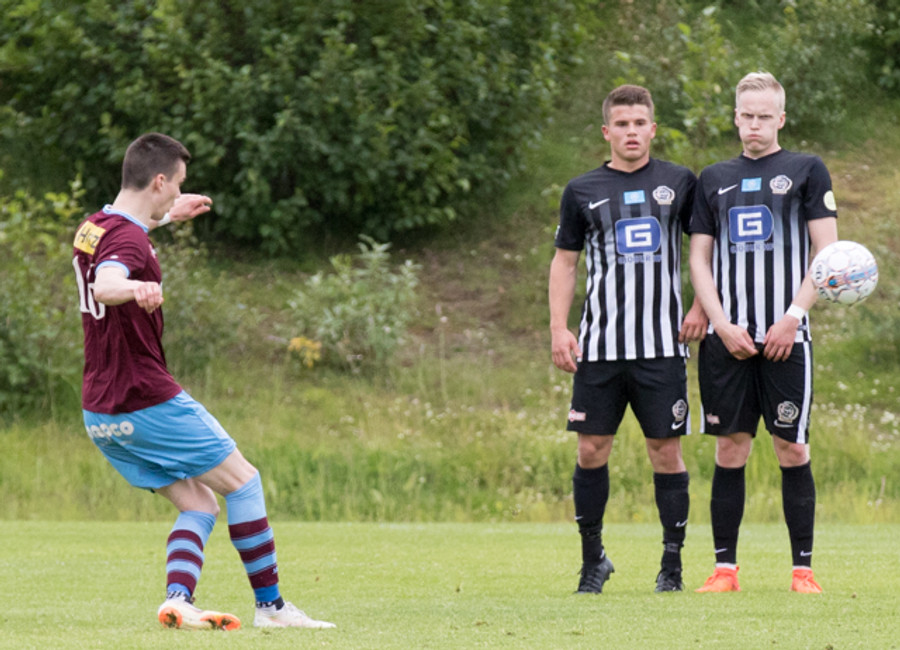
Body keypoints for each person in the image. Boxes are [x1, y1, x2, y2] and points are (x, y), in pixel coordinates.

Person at [72, 132, 336, 630]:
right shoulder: (128, 243)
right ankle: (272, 609)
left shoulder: (94, 226)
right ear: (158, 180)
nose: (179, 190)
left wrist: (169, 216)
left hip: (100, 412)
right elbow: (107, 283)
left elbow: (119, 241)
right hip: (145, 399)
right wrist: (135, 287)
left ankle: (179, 601)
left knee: (199, 503)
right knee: (244, 482)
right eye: (177, 184)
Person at [549, 85, 707, 594]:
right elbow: (565, 262)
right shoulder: (581, 190)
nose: (631, 132)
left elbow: (705, 249)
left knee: (665, 452)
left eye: (640, 123)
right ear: (607, 132)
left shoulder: (680, 182)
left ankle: (672, 565)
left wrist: (702, 306)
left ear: (653, 129)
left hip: (662, 347)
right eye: (622, 124)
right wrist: (558, 328)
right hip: (599, 348)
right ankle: (592, 561)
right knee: (591, 450)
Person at [689, 72, 838, 594]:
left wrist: (792, 316)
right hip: (727, 340)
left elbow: (827, 253)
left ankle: (803, 572)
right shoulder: (713, 178)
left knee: (791, 448)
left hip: (787, 339)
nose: (754, 124)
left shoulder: (806, 170)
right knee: (730, 449)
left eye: (764, 116)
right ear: (736, 118)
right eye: (746, 116)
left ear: (781, 119)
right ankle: (724, 571)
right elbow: (699, 259)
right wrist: (720, 323)